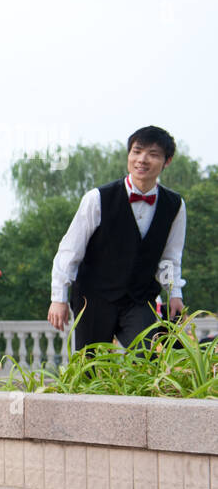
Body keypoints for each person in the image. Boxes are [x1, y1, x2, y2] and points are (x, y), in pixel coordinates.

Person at [48, 126, 186, 354]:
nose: (142, 160)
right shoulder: (97, 199)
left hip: (140, 298)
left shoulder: (175, 205)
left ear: (167, 161)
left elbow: (170, 257)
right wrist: (58, 298)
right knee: (87, 367)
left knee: (149, 357)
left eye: (153, 154)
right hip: (92, 298)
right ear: (129, 155)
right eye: (137, 151)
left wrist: (174, 293)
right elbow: (69, 252)